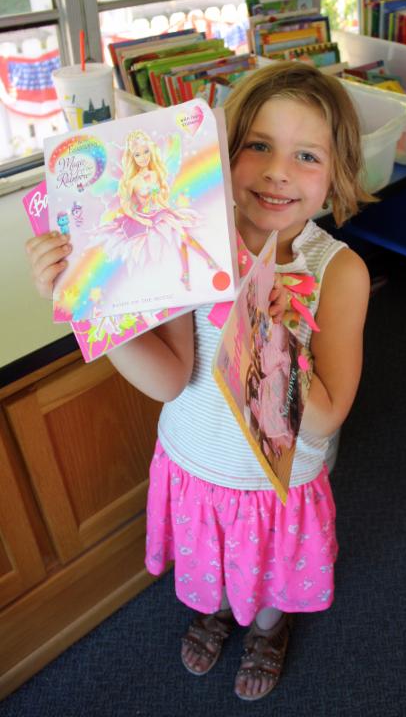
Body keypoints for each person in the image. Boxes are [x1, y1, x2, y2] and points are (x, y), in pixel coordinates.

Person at [26, 62, 372, 702]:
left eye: (306, 155)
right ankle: (216, 612)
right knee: (210, 571)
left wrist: (262, 323)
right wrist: (92, 304)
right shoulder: (192, 243)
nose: (277, 171)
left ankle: (268, 631)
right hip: (196, 468)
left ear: (337, 174)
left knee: (268, 584)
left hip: (274, 490)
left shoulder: (339, 271)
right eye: (258, 145)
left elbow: (324, 418)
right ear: (220, 154)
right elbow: (167, 380)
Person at [95, 128, 220, 290]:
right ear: (132, 157)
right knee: (180, 237)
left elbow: (160, 199)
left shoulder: (154, 174)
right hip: (144, 218)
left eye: (145, 152)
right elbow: (126, 208)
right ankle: (201, 265)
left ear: (151, 150)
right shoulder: (132, 182)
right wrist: (142, 219)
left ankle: (195, 269)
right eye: (137, 154)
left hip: (160, 213)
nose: (143, 157)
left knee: (182, 235)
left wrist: (174, 213)